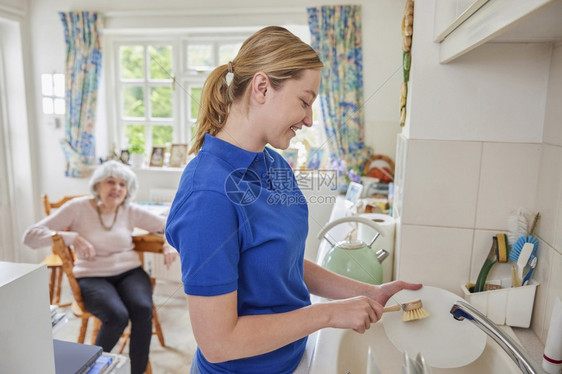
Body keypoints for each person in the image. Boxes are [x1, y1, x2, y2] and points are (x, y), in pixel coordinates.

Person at [165, 26, 422, 374]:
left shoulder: (273, 163)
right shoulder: (207, 195)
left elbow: (282, 263)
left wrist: (370, 291)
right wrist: (330, 313)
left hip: (292, 361)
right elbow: (218, 343)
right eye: (304, 101)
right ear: (261, 88)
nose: (309, 119)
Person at [23, 160, 177, 374]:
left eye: (123, 184)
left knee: (142, 309)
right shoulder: (77, 208)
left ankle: (138, 371)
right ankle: (88, 367)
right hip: (92, 276)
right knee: (116, 316)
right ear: (97, 186)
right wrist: (70, 237)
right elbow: (30, 237)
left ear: (128, 190)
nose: (117, 188)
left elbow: (170, 224)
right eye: (110, 182)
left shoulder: (129, 210)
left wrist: (169, 244)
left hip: (129, 272)